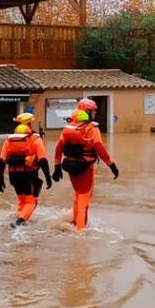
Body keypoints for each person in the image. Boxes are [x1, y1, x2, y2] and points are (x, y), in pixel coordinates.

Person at [53, 98, 119, 231]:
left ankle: (74, 221)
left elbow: (59, 148)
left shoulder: (68, 128)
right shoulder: (92, 129)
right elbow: (99, 148)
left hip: (70, 166)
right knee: (84, 199)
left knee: (77, 194)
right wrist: (111, 165)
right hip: (86, 168)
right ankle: (80, 233)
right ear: (87, 112)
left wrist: (57, 167)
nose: (95, 114)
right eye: (93, 112)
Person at [0, 113, 52, 228]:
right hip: (29, 175)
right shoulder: (36, 139)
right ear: (29, 124)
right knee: (32, 201)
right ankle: (19, 222)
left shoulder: (9, 140)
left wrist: (0, 179)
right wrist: (48, 177)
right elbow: (42, 160)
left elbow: (2, 161)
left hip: (13, 175)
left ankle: (20, 218)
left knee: (22, 200)